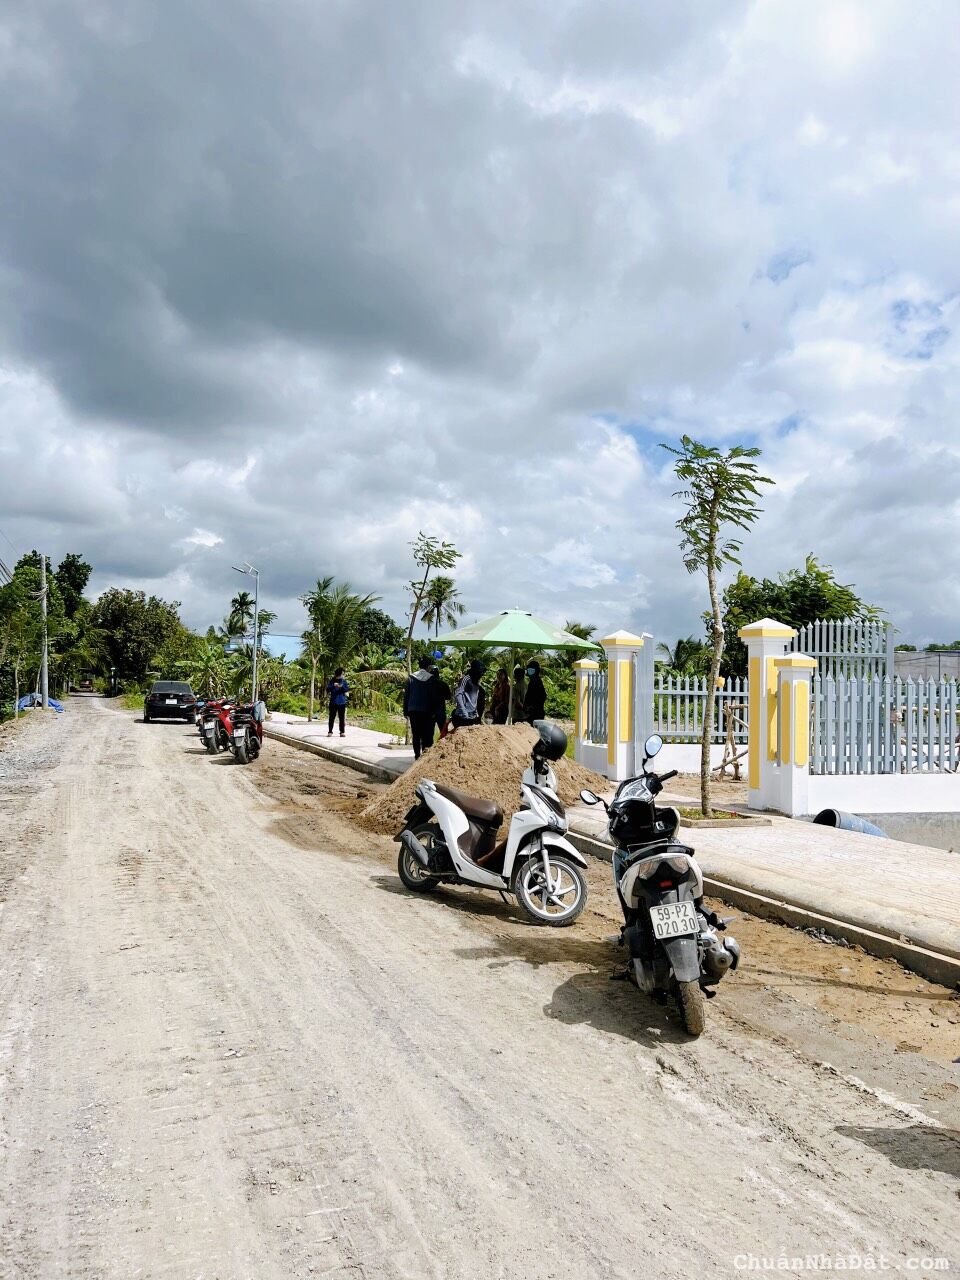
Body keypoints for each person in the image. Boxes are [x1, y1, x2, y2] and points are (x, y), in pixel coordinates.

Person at [404, 657, 441, 759]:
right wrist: (435, 711)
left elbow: (406, 695)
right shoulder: (431, 678)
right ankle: (424, 756)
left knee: (416, 734)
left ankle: (417, 756)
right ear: (428, 667)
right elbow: (433, 696)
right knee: (426, 734)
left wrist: (405, 711)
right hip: (426, 711)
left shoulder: (411, 677)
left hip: (413, 710)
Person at [452, 659, 486, 728]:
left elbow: (474, 701)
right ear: (475, 671)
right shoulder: (466, 679)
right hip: (462, 716)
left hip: (472, 717)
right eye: (480, 672)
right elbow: (458, 695)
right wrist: (464, 712)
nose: (481, 674)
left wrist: (477, 715)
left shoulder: (476, 683)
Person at [326, 668, 349, 737]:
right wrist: (333, 685)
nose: (343, 675)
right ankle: (330, 731)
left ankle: (342, 732)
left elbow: (346, 689)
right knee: (331, 717)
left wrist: (341, 687)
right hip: (333, 702)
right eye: (342, 674)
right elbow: (328, 689)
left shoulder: (343, 681)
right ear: (339, 674)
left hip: (342, 702)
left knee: (342, 718)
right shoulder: (332, 681)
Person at [433, 666, 451, 737]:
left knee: (428, 734)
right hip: (440, 711)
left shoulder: (426, 684)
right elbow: (448, 697)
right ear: (438, 674)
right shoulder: (443, 684)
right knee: (443, 732)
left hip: (429, 711)